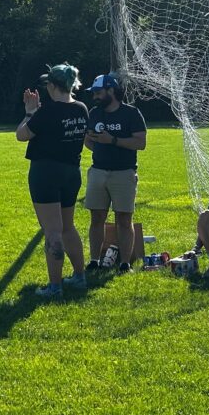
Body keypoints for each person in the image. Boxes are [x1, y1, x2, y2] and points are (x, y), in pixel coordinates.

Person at [16, 64, 90, 297]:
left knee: (52, 231)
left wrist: (30, 112)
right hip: (71, 172)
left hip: (45, 173)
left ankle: (55, 287)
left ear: (52, 85)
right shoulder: (81, 108)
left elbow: (21, 135)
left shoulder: (46, 111)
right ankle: (79, 276)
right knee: (68, 227)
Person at [83, 74, 147, 272]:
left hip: (124, 174)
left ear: (111, 91)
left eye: (99, 93)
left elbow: (140, 143)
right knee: (96, 218)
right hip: (98, 172)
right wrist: (101, 148)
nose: (95, 97)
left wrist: (112, 141)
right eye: (94, 93)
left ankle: (125, 263)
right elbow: (88, 139)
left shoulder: (131, 113)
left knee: (124, 220)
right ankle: (94, 261)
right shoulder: (94, 113)